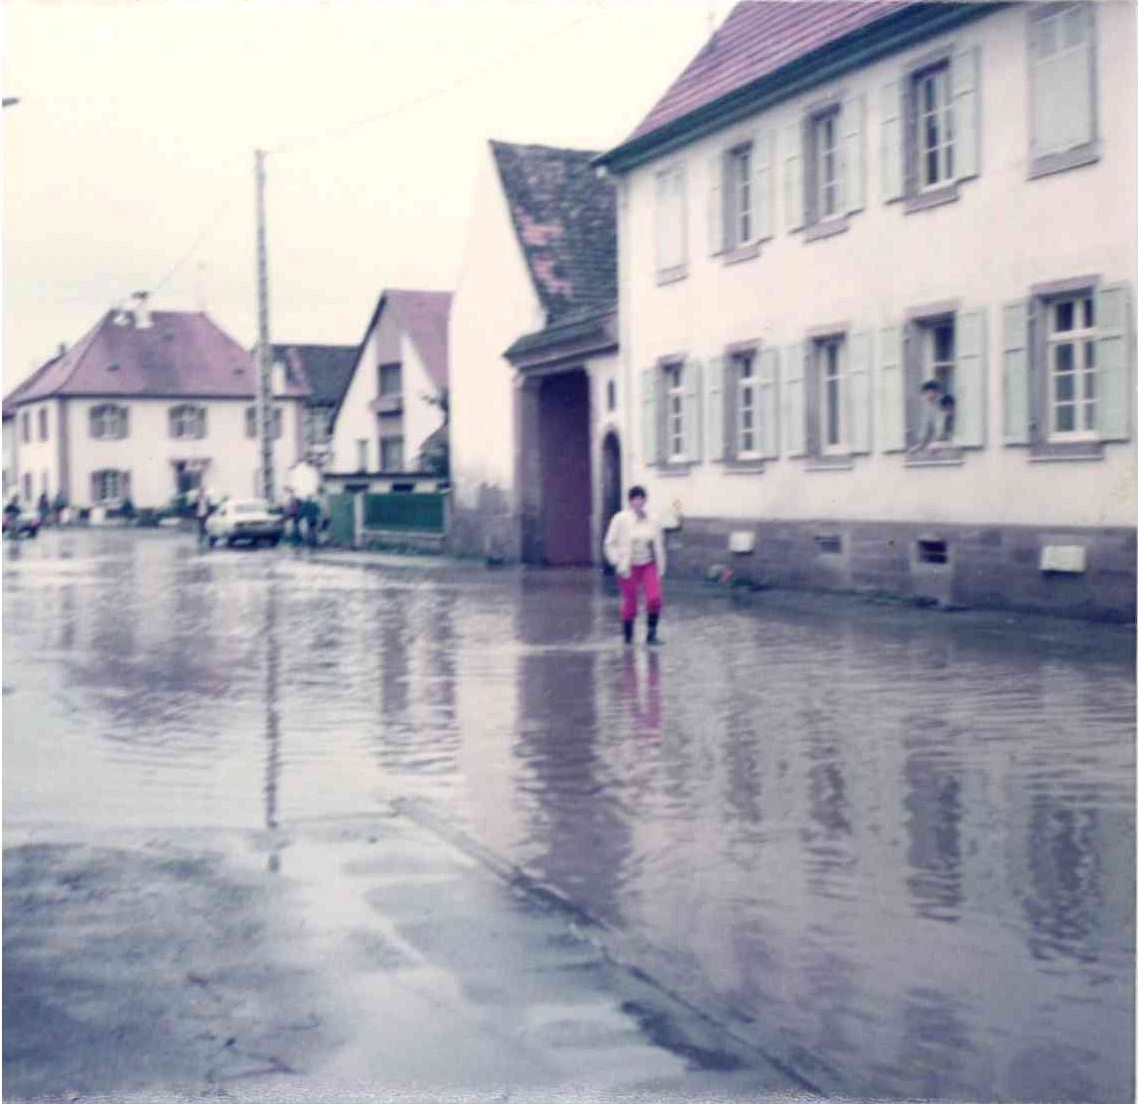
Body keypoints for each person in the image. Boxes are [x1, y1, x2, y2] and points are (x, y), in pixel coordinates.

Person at [603, 485, 667, 646]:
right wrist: (616, 561)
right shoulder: (620, 519)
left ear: (645, 500)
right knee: (630, 602)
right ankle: (628, 638)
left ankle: (651, 635)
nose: (638, 502)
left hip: (647, 564)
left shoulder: (653, 519)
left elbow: (658, 543)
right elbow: (609, 543)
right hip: (628, 566)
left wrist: (661, 564)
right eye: (635, 499)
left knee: (654, 598)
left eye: (641, 498)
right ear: (630, 501)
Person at [909, 379, 955, 452]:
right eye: (924, 394)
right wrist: (920, 444)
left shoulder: (946, 400)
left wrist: (939, 441)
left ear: (933, 392)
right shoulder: (930, 406)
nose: (924, 397)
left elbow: (948, 421)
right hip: (940, 442)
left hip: (951, 440)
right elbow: (925, 426)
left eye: (926, 393)